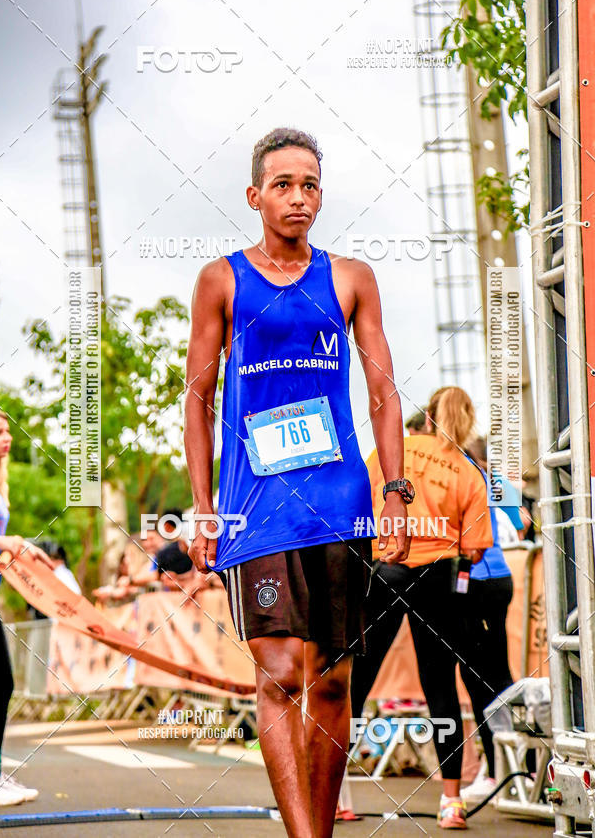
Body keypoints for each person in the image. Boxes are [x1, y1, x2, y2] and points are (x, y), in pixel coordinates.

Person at [184, 127, 411, 838]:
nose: (298, 197)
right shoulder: (222, 280)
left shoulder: (350, 278)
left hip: (339, 504)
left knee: (335, 679)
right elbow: (197, 396)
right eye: (282, 184)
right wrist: (202, 508)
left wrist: (396, 493)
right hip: (256, 511)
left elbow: (384, 393)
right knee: (281, 672)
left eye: (310, 184)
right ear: (255, 196)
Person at [352, 386, 493, 830]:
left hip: (387, 567)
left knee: (357, 677)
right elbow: (475, 548)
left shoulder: (395, 450)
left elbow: (360, 499)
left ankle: (334, 794)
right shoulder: (469, 472)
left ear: (428, 417)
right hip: (439, 576)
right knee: (440, 686)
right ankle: (451, 801)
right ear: (467, 422)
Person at [0, 408, 54, 806]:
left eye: (7, 430)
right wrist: (12, 541)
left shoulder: (1, 482)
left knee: (1, 682)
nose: (7, 437)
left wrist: (21, 550)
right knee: (1, 681)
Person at [457, 436, 517, 802]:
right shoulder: (492, 478)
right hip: (500, 578)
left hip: (476, 581)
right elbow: (522, 524)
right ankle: (508, 766)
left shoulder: (460, 471)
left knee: (477, 676)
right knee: (498, 673)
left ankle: (498, 770)